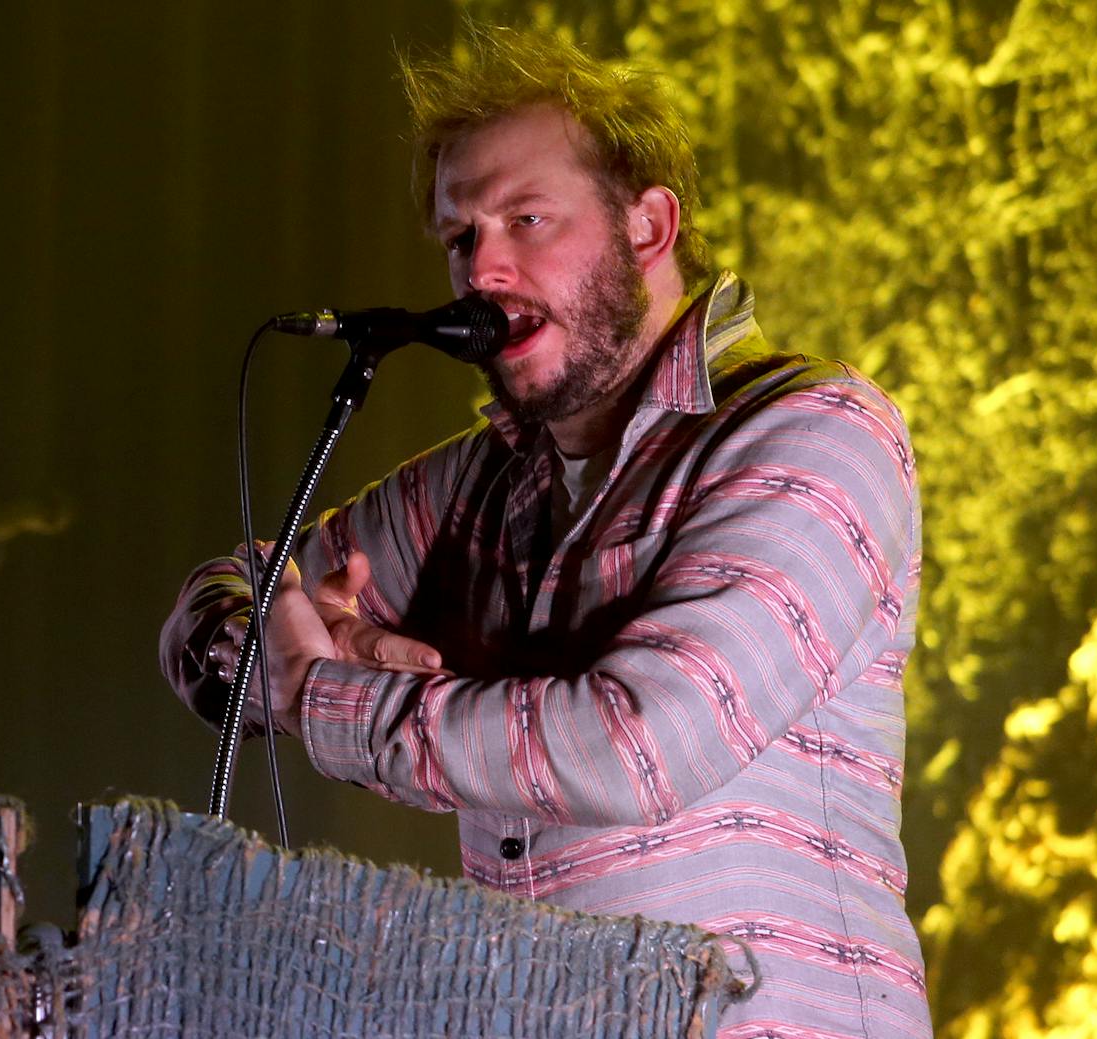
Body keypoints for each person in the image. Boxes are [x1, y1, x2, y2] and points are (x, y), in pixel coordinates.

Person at [161, 24, 931, 1038]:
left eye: (527, 219)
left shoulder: (813, 433)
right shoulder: (474, 487)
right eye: (460, 236)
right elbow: (215, 598)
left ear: (648, 227)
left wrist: (324, 694)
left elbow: (638, 750)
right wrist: (255, 648)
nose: (483, 269)